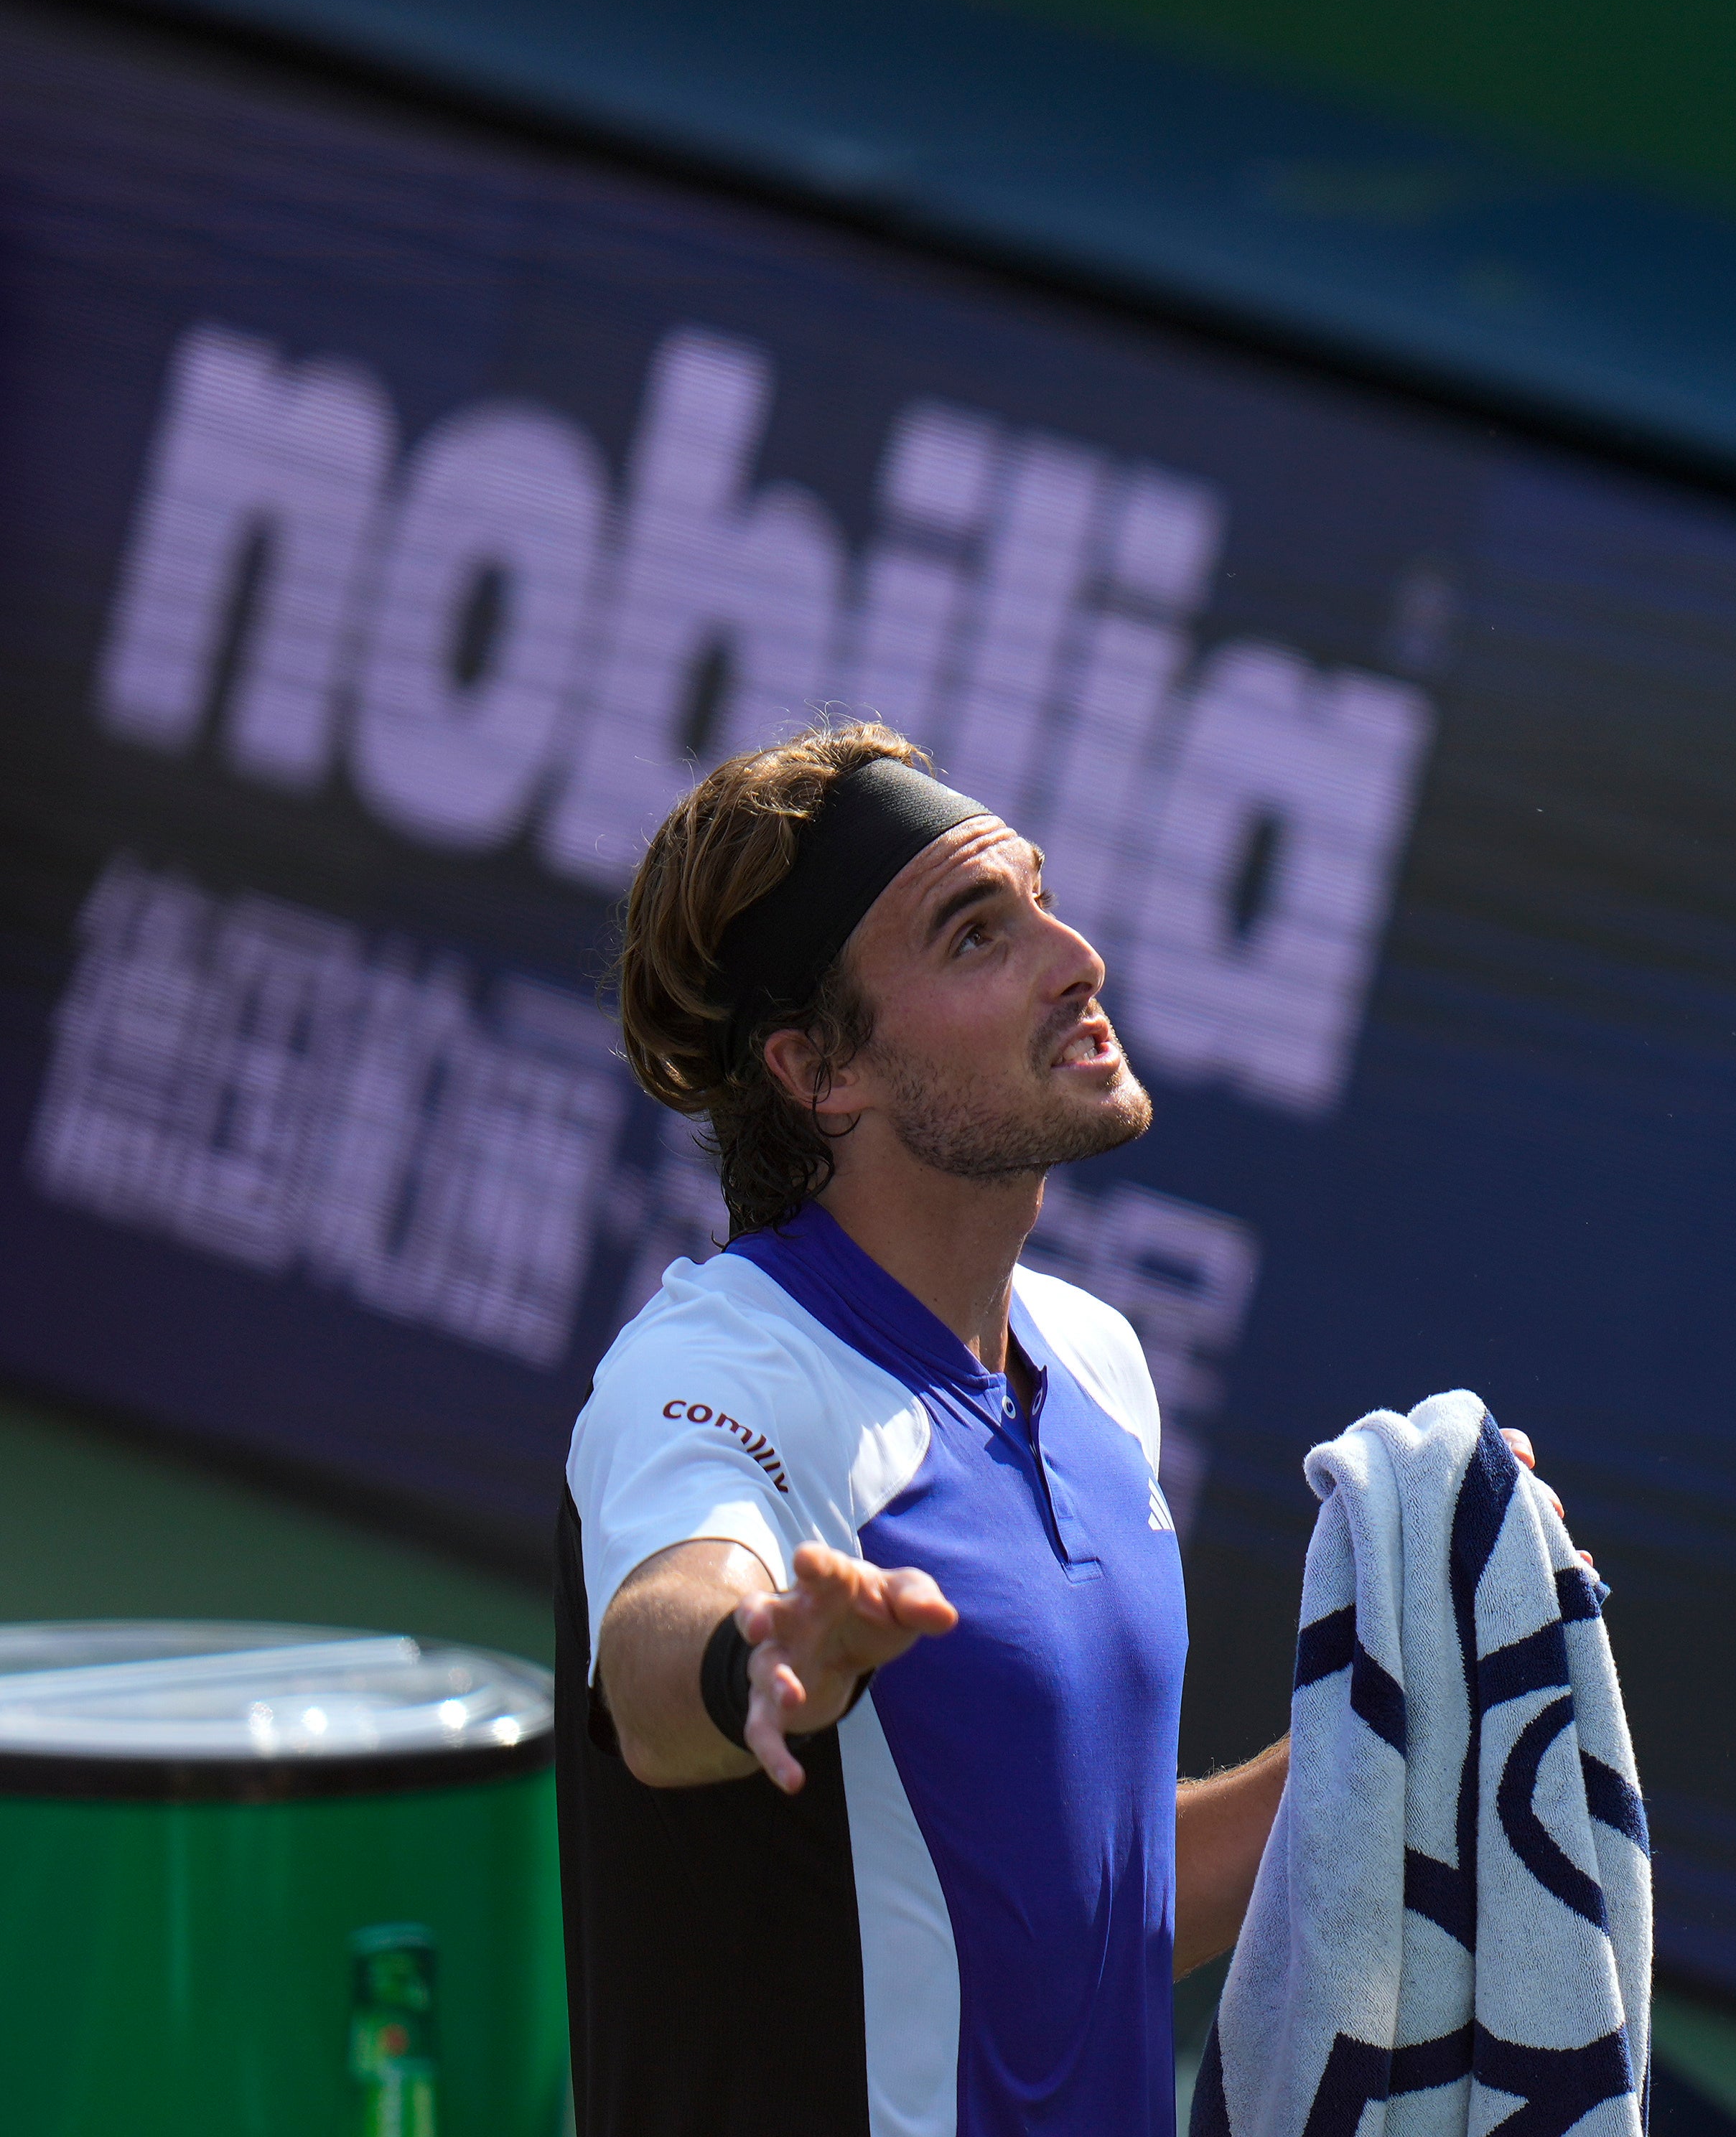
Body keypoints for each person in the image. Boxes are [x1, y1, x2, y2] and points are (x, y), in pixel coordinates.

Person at [558, 722, 1577, 2132]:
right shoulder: (726, 1367)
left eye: (1040, 893)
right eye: (978, 933)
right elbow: (662, 1654)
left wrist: (1406, 1701)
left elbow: (1088, 1922)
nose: (1074, 952)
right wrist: (762, 1651)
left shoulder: (1093, 1362)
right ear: (819, 1069)